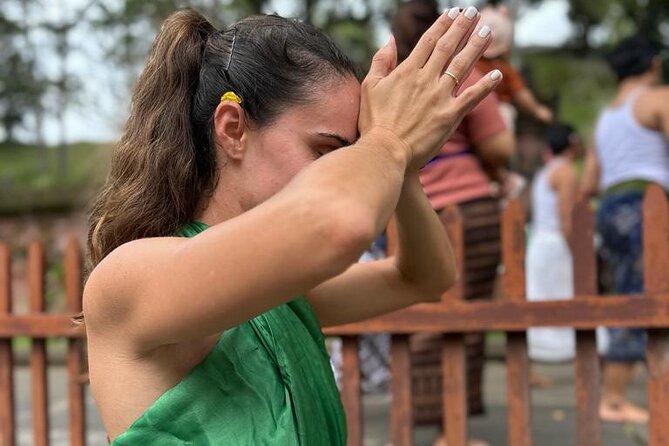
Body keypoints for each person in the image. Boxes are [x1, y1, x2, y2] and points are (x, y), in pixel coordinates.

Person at [82, 7, 503, 445]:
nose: (343, 170)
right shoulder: (128, 277)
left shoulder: (277, 295)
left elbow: (423, 278)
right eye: (324, 151)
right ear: (232, 129)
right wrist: (387, 143)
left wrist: (406, 166)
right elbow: (339, 224)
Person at [391, 2, 514, 445]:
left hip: (410, 212)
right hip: (467, 203)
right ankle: (451, 431)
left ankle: (410, 423)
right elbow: (498, 146)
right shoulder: (462, 74)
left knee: (416, 318)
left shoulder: (388, 81)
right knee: (464, 318)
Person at [581, 33, 669, 424]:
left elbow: (589, 185)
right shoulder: (658, 98)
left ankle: (621, 388)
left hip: (611, 208)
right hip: (647, 207)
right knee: (642, 297)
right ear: (652, 64)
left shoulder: (606, 117)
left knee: (630, 294)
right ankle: (613, 398)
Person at [526, 123, 579, 364]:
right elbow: (566, 215)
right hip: (557, 242)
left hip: (539, 242)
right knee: (564, 294)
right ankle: (564, 350)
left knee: (542, 295)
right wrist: (576, 250)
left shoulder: (544, 171)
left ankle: (543, 352)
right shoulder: (565, 172)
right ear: (573, 144)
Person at [475, 2, 553, 132]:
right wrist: (538, 111)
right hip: (495, 115)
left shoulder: (468, 64)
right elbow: (521, 94)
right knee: (506, 113)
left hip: (466, 113)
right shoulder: (503, 70)